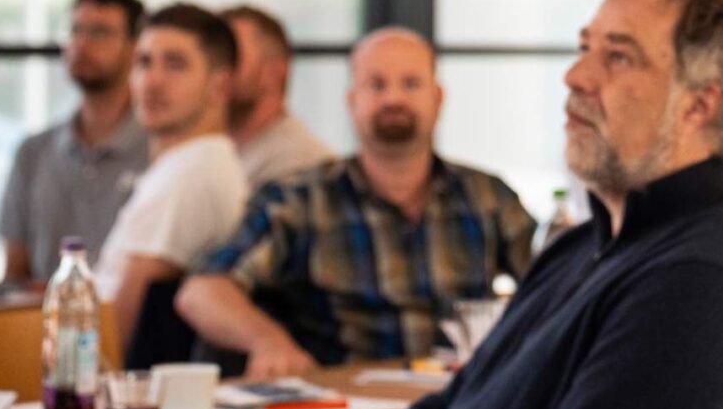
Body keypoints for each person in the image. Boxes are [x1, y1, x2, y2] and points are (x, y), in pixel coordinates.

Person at [311, 0, 723, 409]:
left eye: (617, 56)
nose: (575, 76)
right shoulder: (586, 242)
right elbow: (460, 398)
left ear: (698, 105)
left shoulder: (703, 280)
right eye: (584, 47)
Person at [176, 27, 534, 374]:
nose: (393, 99)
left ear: (438, 98)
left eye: (411, 84)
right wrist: (268, 343)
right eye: (376, 85)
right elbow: (202, 291)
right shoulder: (299, 199)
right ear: (352, 101)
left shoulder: (488, 196)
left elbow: (559, 281)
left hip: (463, 403)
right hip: (344, 405)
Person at [93, 2, 249, 350]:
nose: (153, 81)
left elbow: (118, 331)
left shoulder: (193, 173)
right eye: (144, 62)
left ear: (219, 86)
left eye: (175, 65)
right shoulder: (185, 165)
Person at [0, 0, 148, 284]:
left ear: (135, 48)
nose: (82, 44)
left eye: (100, 33)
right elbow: (13, 273)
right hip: (38, 322)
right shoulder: (33, 151)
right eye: (75, 30)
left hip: (121, 325)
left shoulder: (157, 152)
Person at [223, 3, 336, 191]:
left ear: (275, 70)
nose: (218, 72)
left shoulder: (304, 167)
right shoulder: (225, 155)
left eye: (233, 56)